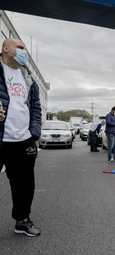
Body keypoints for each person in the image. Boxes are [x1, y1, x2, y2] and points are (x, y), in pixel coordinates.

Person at [0, 38, 42, 236]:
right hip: (2, 138)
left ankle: (22, 221)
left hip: (23, 140)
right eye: (21, 48)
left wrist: (33, 134)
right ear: (5, 49)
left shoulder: (28, 76)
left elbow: (35, 108)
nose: (25, 51)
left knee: (24, 186)